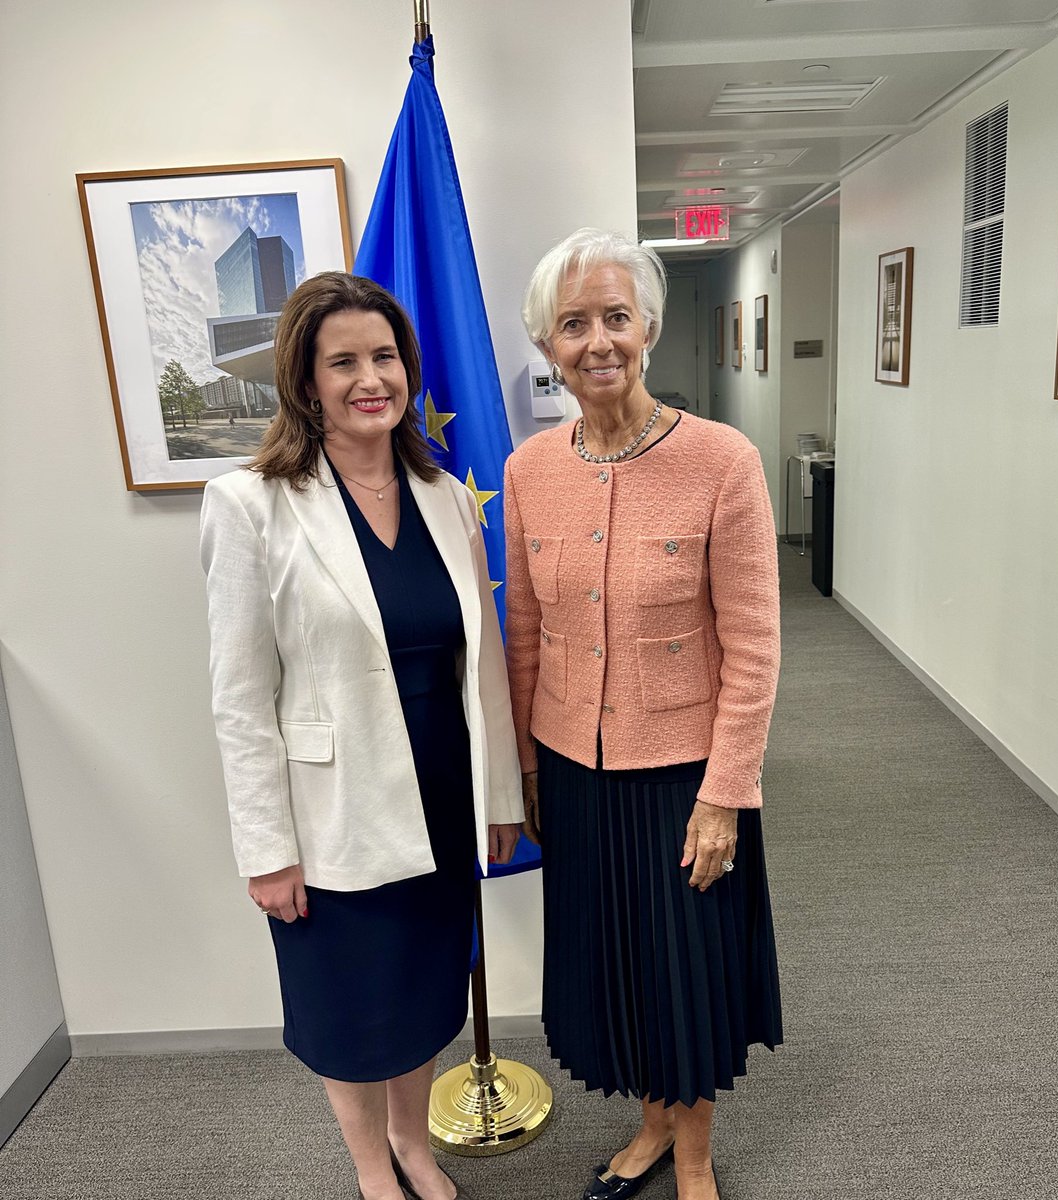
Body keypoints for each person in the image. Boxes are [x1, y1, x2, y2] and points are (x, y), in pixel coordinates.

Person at [200, 271, 522, 1200]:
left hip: (438, 787)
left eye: (383, 356)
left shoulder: (444, 494)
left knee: (425, 992)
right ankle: (373, 1169)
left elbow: (484, 661)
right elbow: (238, 697)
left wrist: (499, 793)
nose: (368, 377)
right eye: (342, 361)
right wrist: (266, 848)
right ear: (304, 380)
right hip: (328, 808)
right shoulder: (251, 502)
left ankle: (414, 1145)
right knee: (349, 1004)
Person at [504, 230, 783, 1200]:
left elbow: (753, 644)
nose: (597, 342)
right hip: (574, 769)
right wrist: (529, 773)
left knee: (685, 971)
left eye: (615, 318)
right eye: (572, 324)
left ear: (650, 328)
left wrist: (725, 794)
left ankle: (695, 1151)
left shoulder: (723, 461)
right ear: (547, 346)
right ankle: (651, 1126)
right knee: (619, 965)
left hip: (684, 775)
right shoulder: (529, 468)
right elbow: (526, 629)